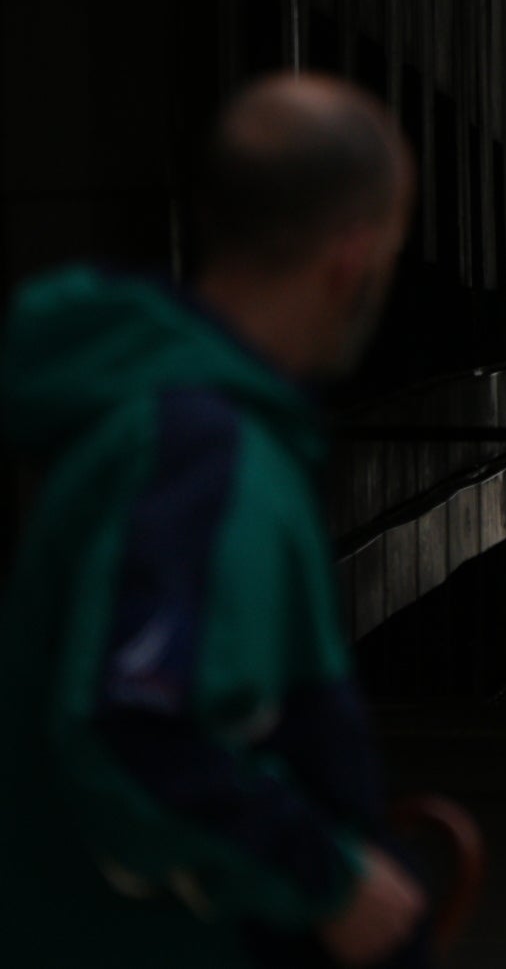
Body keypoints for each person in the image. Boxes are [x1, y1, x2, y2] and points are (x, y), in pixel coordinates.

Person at [0, 73, 430, 966]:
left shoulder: (147, 415)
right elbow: (135, 727)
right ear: (351, 259)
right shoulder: (203, 449)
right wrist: (330, 878)